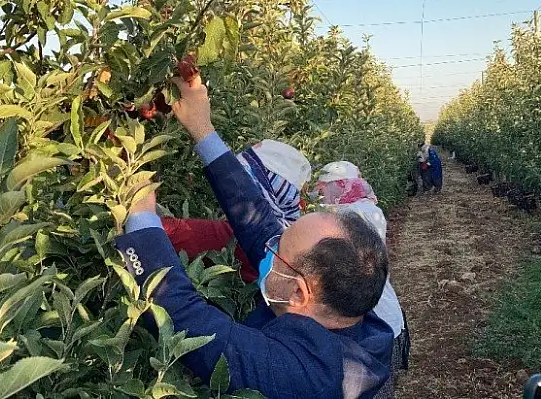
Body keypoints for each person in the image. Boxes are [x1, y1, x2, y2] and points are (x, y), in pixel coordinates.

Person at [113, 74, 394, 398]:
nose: (269, 246)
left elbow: (178, 310)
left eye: (277, 251)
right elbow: (257, 221)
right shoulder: (345, 304)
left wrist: (139, 208)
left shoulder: (302, 377)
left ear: (300, 294)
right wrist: (201, 128)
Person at [313, 161, 411, 389]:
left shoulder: (359, 214)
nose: (323, 196)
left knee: (375, 387)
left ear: (342, 186)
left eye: (326, 189)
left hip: (374, 324)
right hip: (374, 320)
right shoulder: (364, 210)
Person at [162, 139, 312, 283]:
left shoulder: (240, 238)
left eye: (242, 184)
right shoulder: (285, 247)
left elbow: (170, 232)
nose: (230, 191)